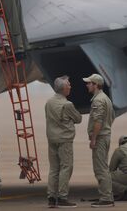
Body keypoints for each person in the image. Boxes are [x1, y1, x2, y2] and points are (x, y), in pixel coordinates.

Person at [45, 75, 82, 208]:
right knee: (66, 167)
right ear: (63, 89)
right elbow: (78, 119)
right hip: (64, 140)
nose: (70, 87)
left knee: (54, 168)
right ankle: (62, 197)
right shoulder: (67, 104)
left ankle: (51, 197)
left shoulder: (49, 102)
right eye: (69, 85)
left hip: (52, 139)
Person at [84, 73, 115, 208]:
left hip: (101, 137)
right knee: (103, 168)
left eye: (89, 83)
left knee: (100, 169)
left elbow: (98, 121)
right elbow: (112, 117)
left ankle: (106, 198)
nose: (87, 85)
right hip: (105, 135)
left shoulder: (98, 100)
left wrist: (94, 138)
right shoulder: (106, 98)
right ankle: (107, 196)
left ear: (96, 85)